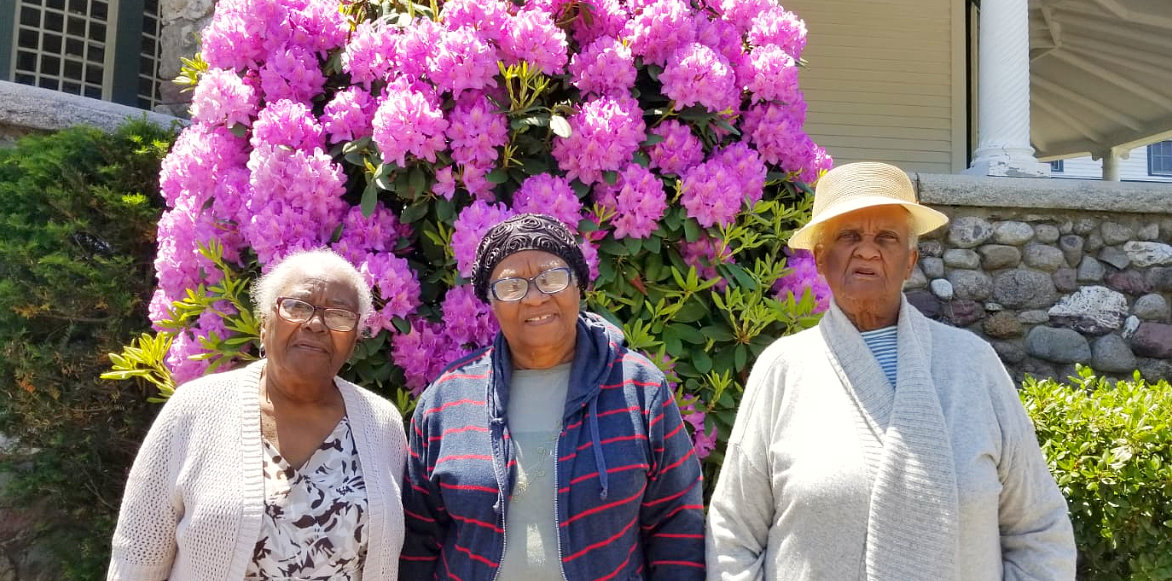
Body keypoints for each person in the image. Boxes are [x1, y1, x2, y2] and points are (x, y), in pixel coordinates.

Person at [706, 162, 1076, 581]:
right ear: (821, 259)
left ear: (910, 261)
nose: (867, 250)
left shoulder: (973, 364)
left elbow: (1041, 530)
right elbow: (732, 535)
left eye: (886, 238)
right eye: (849, 237)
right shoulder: (784, 368)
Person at [400, 213, 705, 580]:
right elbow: (419, 537)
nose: (534, 298)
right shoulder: (447, 400)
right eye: (511, 286)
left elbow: (677, 524)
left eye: (552, 278)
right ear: (490, 302)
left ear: (579, 284)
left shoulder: (638, 389)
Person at [107, 249, 407, 581]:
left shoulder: (382, 424)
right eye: (297, 307)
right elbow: (137, 554)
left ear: (354, 341)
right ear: (264, 324)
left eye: (339, 315)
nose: (316, 324)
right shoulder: (194, 409)